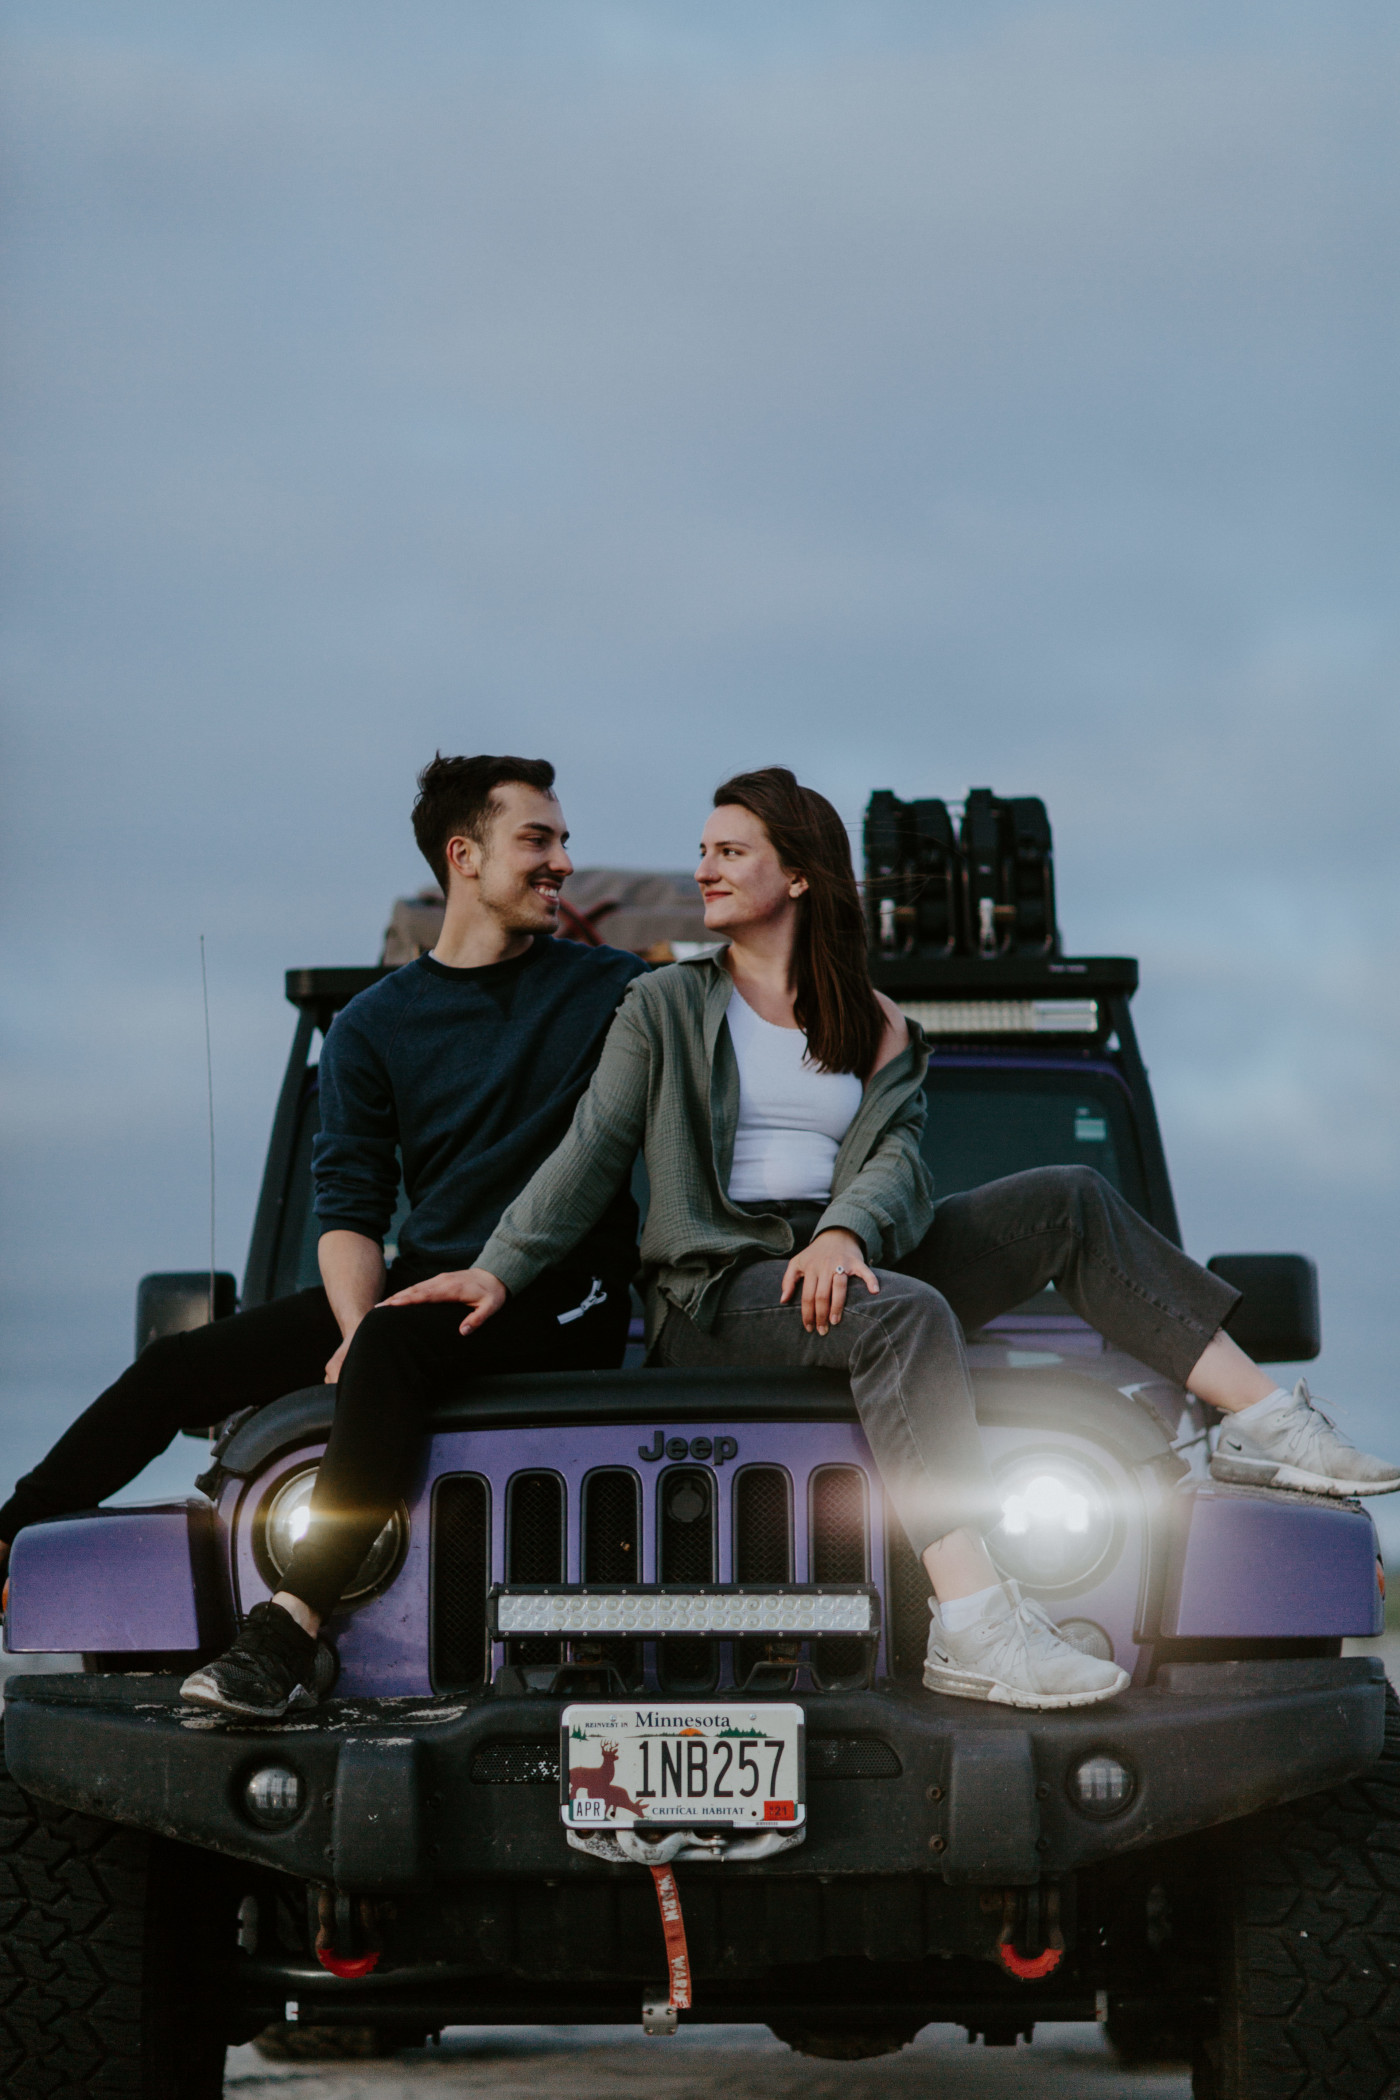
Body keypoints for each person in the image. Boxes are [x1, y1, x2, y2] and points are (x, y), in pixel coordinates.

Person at [387, 766, 1400, 1713]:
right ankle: (972, 1619)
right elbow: (587, 1155)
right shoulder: (661, 1007)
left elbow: (895, 1174)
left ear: (795, 874)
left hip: (846, 1269)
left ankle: (1263, 1424)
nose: (703, 868)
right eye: (702, 850)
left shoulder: (879, 1029)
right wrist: (493, 1270)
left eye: (728, 851)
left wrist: (837, 1232)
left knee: (1069, 1196)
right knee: (902, 1314)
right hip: (718, 1291)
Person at [0, 754, 649, 1719]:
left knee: (393, 1341)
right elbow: (350, 1208)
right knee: (179, 1369)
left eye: (560, 841)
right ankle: (8, 1546)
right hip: (425, 1291)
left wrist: (381, 1337)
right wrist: (357, 1327)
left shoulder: (615, 989)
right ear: (463, 856)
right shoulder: (373, 1024)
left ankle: (288, 1626)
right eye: (538, 841)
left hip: (569, 1289)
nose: (561, 862)